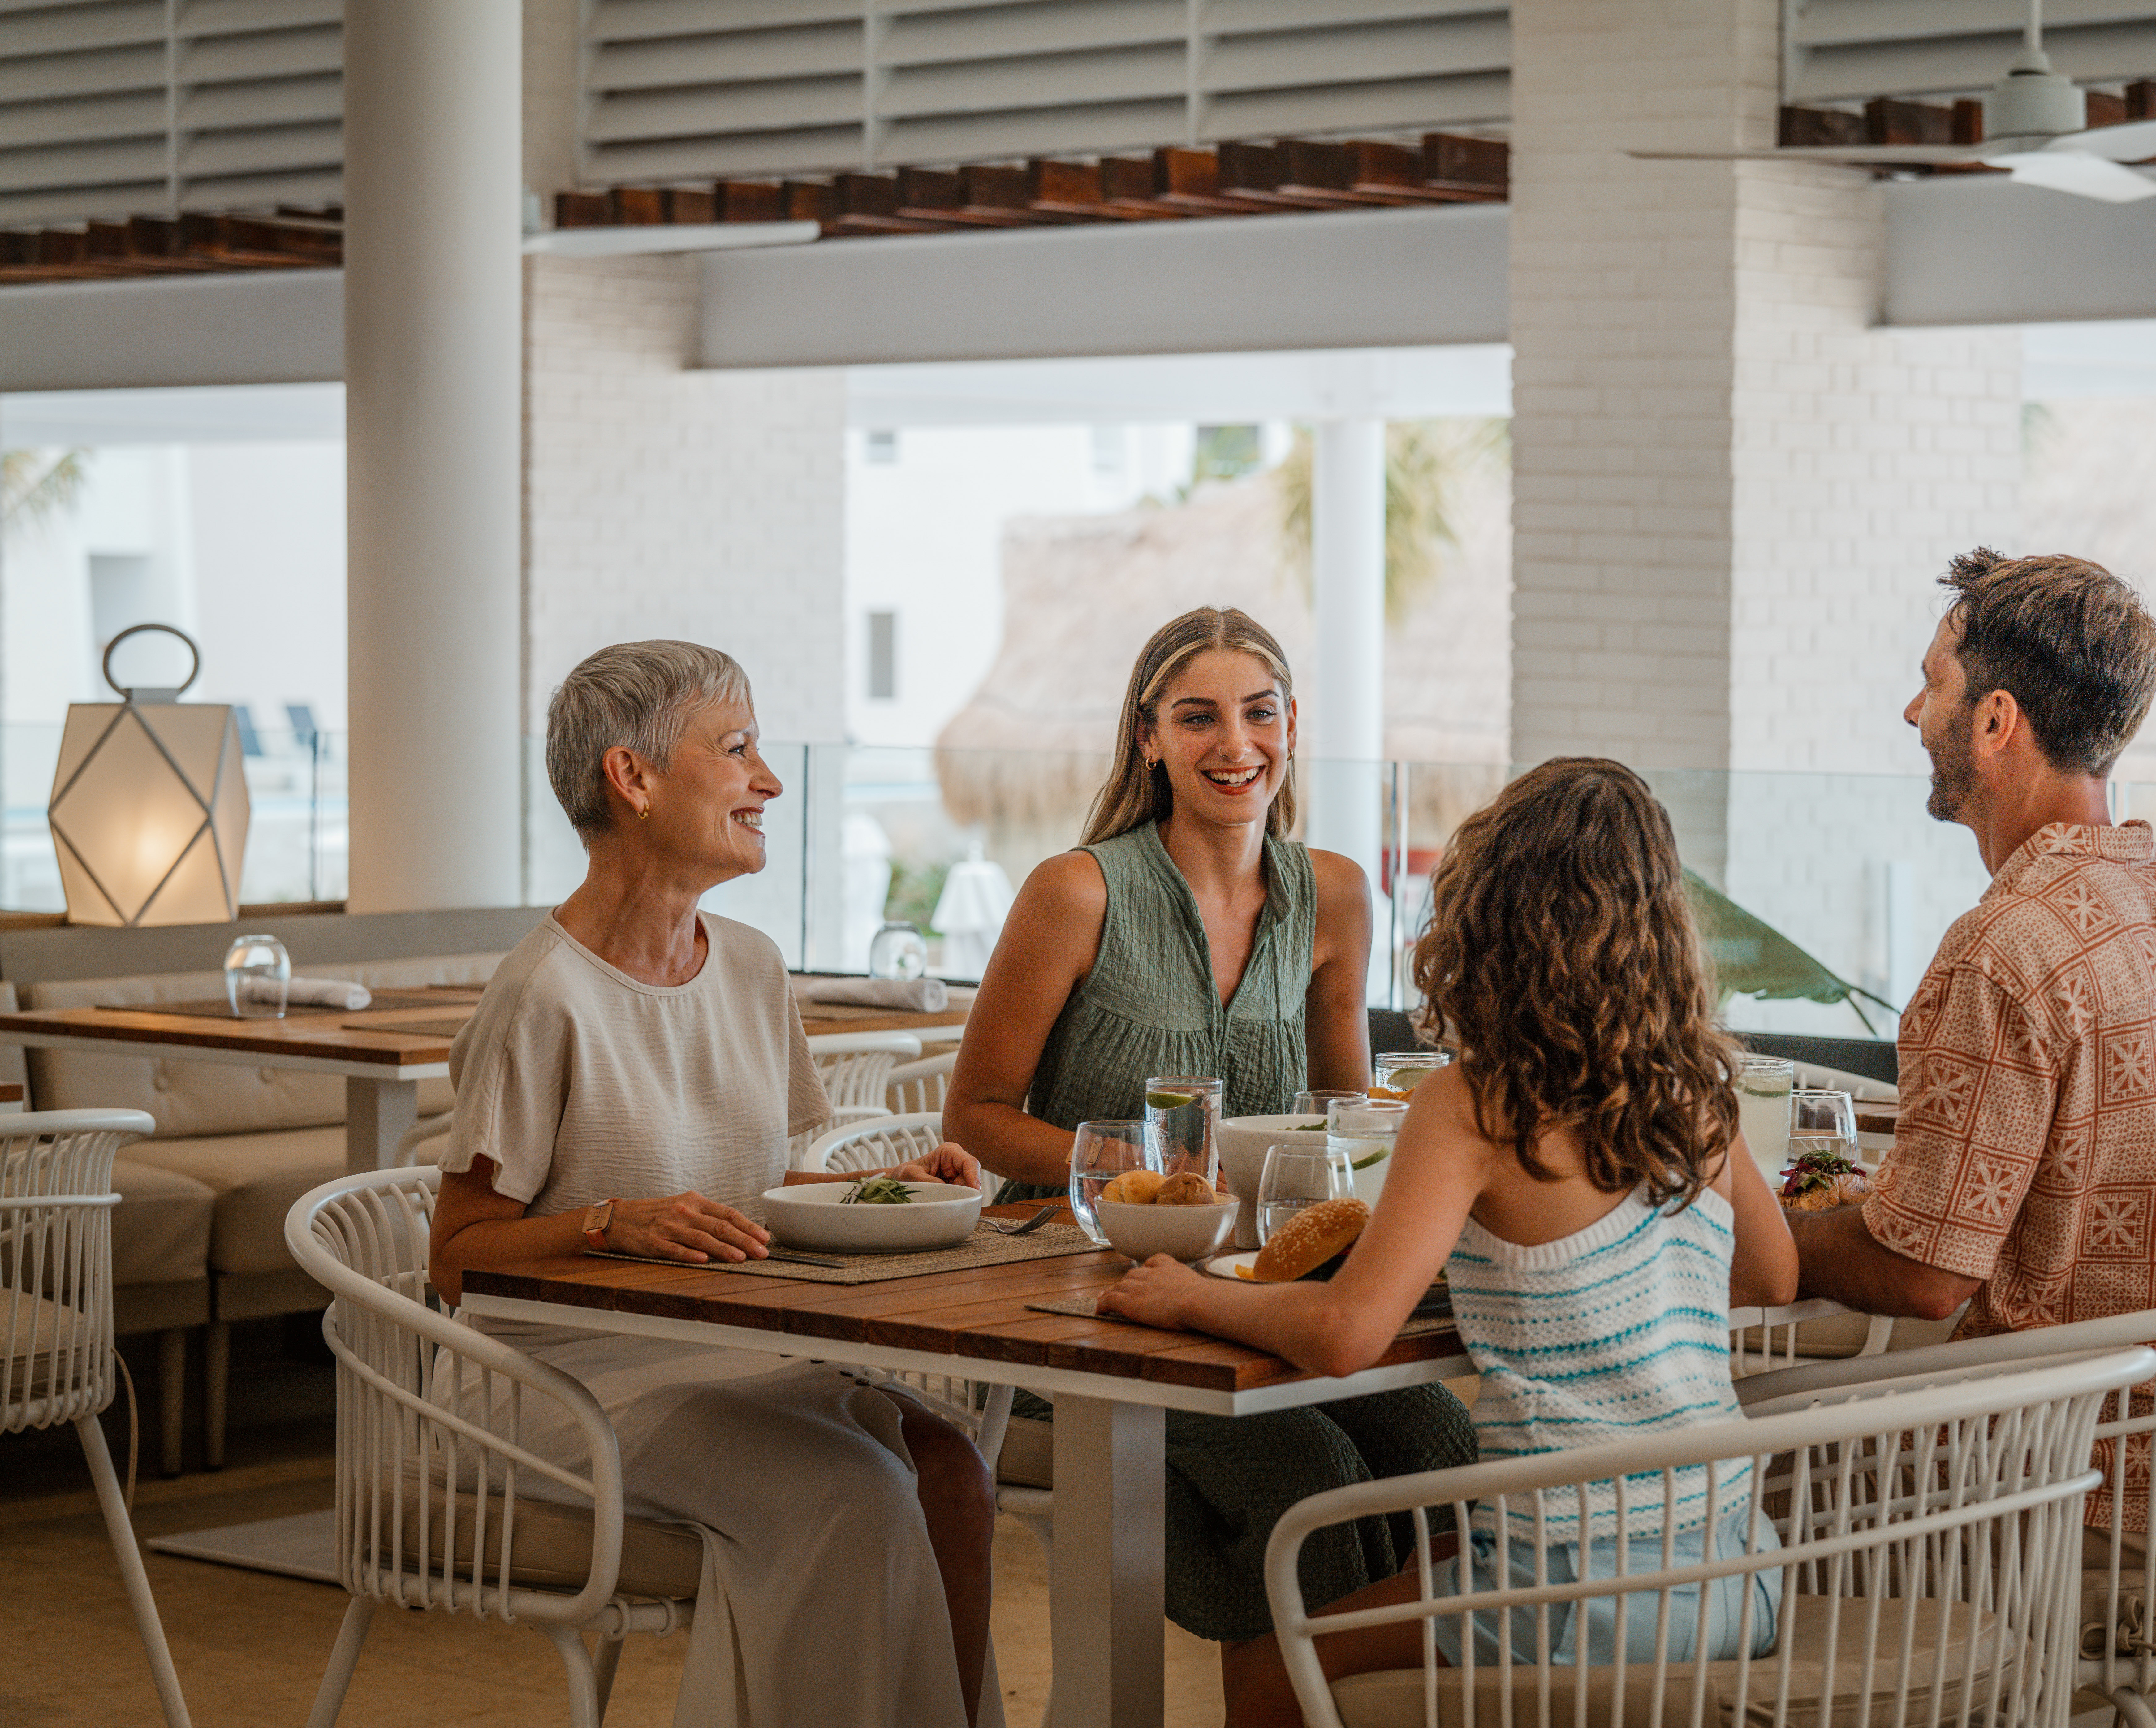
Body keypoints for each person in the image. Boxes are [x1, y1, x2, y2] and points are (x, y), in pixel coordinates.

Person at [1101, 756, 1800, 1728]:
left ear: (1492, 912)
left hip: (1575, 1587)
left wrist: (1188, 1295)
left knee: (1268, 1667)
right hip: (1735, 1571)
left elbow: (1348, 1332)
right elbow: (1773, 1271)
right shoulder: (1693, 1092)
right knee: (1433, 1554)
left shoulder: (1477, 1102)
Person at [427, 640, 997, 1728]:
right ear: (632, 780)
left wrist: (888, 1190)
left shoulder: (750, 963)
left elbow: (772, 1186)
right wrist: (607, 1225)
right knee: (856, 1492)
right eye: (737, 751)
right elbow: (454, 1259)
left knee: (956, 1474)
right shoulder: (542, 995)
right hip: (569, 1383)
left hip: (733, 1344)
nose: (770, 782)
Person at [946, 605, 1479, 1670]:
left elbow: (1340, 1105)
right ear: (1148, 737)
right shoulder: (1077, 890)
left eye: (1258, 714)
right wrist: (1141, 1177)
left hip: (1260, 1280)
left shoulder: (1331, 893)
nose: (1235, 746)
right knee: (1304, 1473)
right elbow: (977, 1119)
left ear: (1291, 724)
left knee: (1446, 1446)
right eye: (1197, 719)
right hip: (1083, 1280)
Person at [1788, 549, 2156, 1540]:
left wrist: (1756, 1239)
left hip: (2064, 1489)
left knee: (1721, 1497)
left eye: (1930, 685)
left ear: (1994, 722)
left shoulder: (2004, 952)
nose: (1912, 714)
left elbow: (1923, 1275)